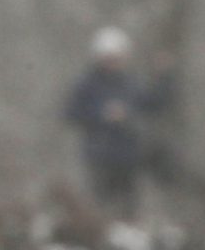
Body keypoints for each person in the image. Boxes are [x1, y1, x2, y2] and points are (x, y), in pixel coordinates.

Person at [63, 26, 170, 211]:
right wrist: (102, 115)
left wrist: (164, 77)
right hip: (99, 156)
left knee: (129, 206)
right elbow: (71, 113)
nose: (114, 62)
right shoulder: (87, 84)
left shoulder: (130, 83)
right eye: (109, 58)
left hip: (128, 155)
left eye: (118, 58)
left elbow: (153, 104)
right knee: (100, 204)